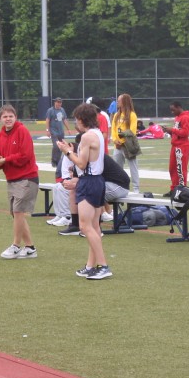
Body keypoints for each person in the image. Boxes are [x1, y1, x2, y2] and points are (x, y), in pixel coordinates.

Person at [56, 103, 110, 278]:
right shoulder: (98, 133)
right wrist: (72, 151)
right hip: (97, 181)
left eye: (76, 119)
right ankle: (90, 265)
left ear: (81, 119)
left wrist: (66, 152)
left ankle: (103, 266)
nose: (75, 123)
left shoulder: (87, 137)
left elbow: (81, 164)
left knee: (85, 226)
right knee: (94, 226)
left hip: (89, 182)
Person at [0, 104, 39, 259]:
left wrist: (6, 160)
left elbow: (25, 155)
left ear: (16, 117)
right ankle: (30, 248)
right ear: (0, 119)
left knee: (18, 211)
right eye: (5, 116)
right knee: (16, 213)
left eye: (10, 116)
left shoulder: (22, 131)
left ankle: (16, 245)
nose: (8, 119)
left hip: (27, 177)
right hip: (11, 179)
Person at [110, 94, 140, 193]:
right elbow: (113, 129)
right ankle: (119, 186)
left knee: (133, 167)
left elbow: (132, 131)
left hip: (128, 146)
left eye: (119, 100)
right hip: (117, 146)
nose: (117, 102)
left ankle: (136, 189)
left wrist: (122, 141)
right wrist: (115, 140)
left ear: (125, 102)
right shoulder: (116, 115)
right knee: (117, 168)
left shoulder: (132, 115)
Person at [167, 101, 189, 195]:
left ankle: (181, 190)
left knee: (180, 169)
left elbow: (185, 133)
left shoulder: (185, 117)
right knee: (172, 169)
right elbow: (177, 132)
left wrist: (172, 130)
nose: (172, 112)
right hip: (175, 145)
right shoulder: (177, 118)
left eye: (173, 110)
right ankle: (174, 189)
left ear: (179, 107)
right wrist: (170, 132)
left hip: (182, 146)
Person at [45, 97, 69, 169]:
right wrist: (47, 130)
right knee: (56, 146)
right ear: (55, 102)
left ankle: (58, 161)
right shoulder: (50, 110)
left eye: (60, 102)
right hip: (53, 131)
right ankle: (53, 160)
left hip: (61, 131)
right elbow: (47, 120)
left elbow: (64, 120)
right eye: (58, 102)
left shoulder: (62, 110)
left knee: (61, 147)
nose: (59, 104)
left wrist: (68, 129)